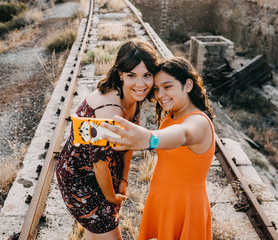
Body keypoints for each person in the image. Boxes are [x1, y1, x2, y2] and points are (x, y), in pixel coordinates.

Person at [55, 38, 159, 240]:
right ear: (120, 74)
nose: (141, 84)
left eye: (147, 75)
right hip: (79, 178)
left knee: (96, 234)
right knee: (107, 230)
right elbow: (99, 163)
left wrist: (123, 179)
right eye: (132, 75)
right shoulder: (110, 111)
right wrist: (111, 197)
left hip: (102, 172)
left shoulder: (132, 97)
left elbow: (128, 144)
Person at [102, 57, 215, 240]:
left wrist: (150, 139)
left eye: (167, 87)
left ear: (187, 85)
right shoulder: (174, 114)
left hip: (185, 206)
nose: (160, 94)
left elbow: (183, 134)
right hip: (163, 199)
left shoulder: (199, 121)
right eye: (156, 89)